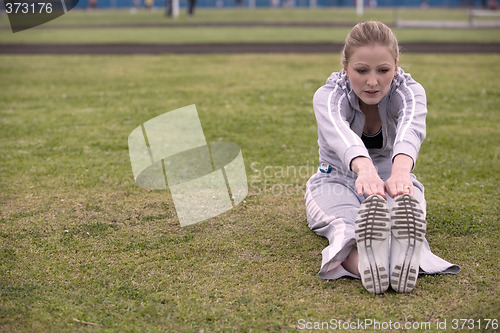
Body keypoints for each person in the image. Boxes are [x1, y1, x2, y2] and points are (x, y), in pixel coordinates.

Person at [304, 21, 460, 294]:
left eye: (383, 70)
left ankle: (396, 255)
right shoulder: (327, 96)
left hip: (391, 177)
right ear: (345, 68)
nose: (373, 81)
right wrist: (364, 169)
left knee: (404, 209)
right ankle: (367, 261)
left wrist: (400, 173)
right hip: (336, 179)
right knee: (346, 223)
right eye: (361, 70)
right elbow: (340, 134)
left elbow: (412, 128)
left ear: (396, 67)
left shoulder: (411, 91)